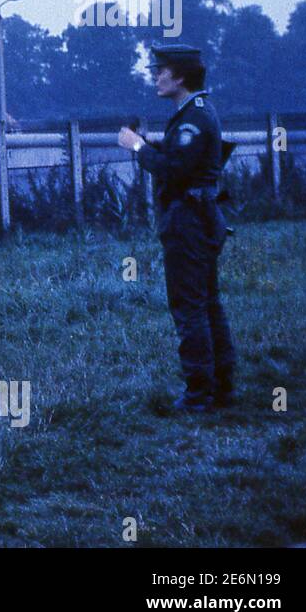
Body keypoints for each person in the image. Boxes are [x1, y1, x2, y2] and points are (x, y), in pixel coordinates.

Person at [117, 44, 235, 412]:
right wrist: (153, 145)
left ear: (180, 75)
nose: (156, 75)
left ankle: (199, 394)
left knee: (189, 307)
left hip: (188, 221)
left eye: (161, 70)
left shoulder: (192, 118)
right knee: (207, 304)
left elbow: (175, 170)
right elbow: (182, 158)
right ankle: (221, 388)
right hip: (199, 217)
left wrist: (137, 147)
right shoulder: (196, 112)